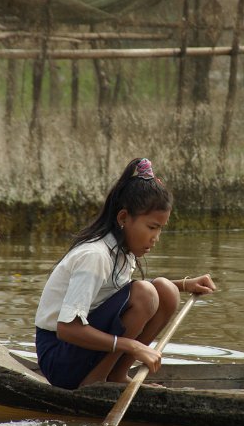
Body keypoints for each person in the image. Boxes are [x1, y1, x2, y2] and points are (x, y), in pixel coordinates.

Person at [35, 157, 215, 390]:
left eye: (160, 229)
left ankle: (115, 376)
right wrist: (131, 346)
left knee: (166, 291)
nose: (156, 238)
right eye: (151, 227)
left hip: (78, 351)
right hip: (60, 358)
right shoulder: (95, 256)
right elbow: (67, 328)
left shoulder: (122, 252)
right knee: (145, 293)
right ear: (123, 218)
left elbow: (115, 294)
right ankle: (95, 382)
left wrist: (184, 284)